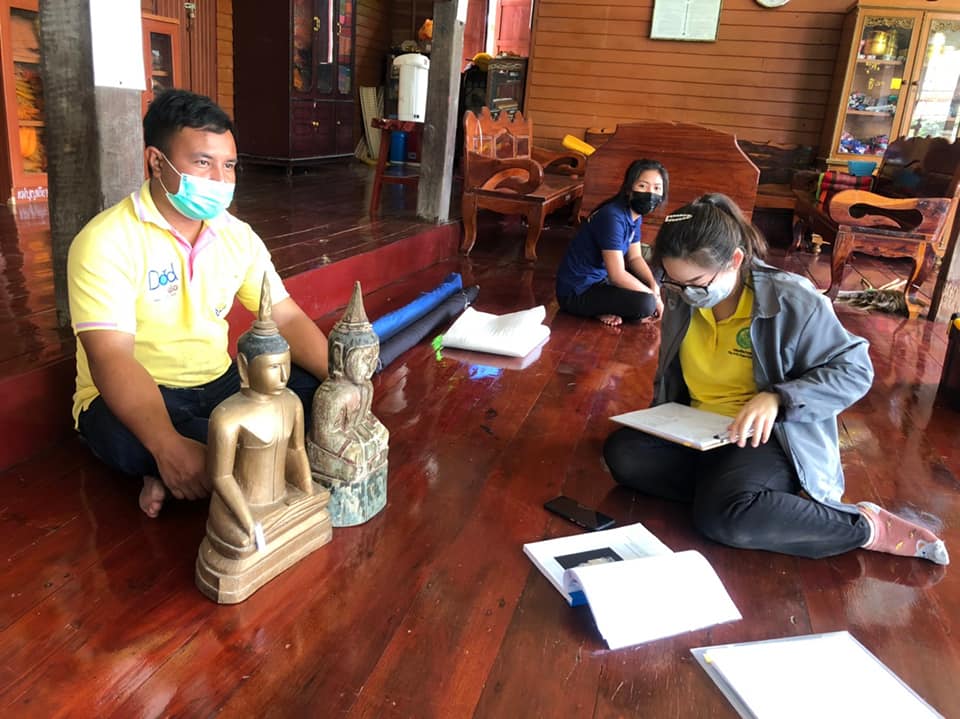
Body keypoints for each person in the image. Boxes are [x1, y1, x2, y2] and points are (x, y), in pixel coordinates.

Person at [602, 193, 949, 566]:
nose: (686, 294)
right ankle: (736, 496)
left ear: (735, 260)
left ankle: (865, 526)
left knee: (724, 520)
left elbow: (855, 369)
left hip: (767, 435)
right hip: (700, 430)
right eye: (674, 283)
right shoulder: (683, 298)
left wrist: (779, 398)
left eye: (696, 284)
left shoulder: (791, 299)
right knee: (623, 455)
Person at [67, 89, 329, 520]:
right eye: (203, 163)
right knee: (120, 434)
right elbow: (110, 357)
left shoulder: (236, 235)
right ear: (156, 162)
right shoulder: (105, 241)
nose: (220, 180)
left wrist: (341, 381)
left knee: (314, 394)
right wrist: (167, 445)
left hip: (221, 383)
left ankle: (185, 469)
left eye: (229, 165)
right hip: (144, 393)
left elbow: (284, 315)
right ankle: (179, 459)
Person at [555, 159, 667, 326]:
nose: (650, 194)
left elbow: (635, 258)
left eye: (657, 188)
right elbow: (617, 275)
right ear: (629, 188)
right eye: (643, 186)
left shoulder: (634, 215)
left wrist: (653, 287)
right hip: (577, 291)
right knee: (646, 304)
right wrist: (653, 297)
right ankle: (597, 309)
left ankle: (605, 307)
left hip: (602, 280)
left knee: (655, 276)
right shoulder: (612, 216)